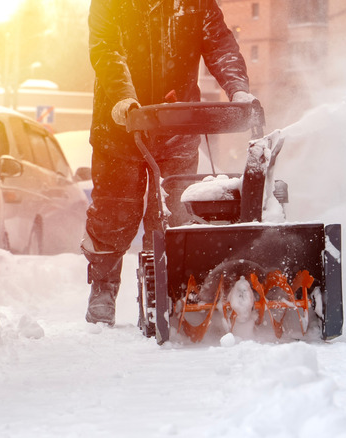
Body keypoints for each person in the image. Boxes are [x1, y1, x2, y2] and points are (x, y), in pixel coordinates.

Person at [84, 0, 258, 325]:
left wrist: (238, 90)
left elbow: (220, 45)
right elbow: (107, 50)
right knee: (114, 212)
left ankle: (161, 288)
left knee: (172, 215)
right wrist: (123, 95)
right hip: (120, 125)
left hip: (177, 125)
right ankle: (103, 288)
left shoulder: (195, 3)